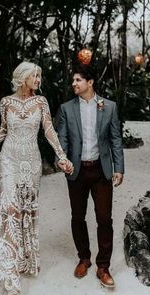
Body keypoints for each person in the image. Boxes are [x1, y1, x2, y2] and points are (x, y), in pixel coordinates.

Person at [0, 61, 73, 295]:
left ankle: (23, 260)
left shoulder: (41, 102)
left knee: (25, 210)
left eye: (39, 76)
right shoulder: (6, 102)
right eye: (35, 76)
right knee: (9, 210)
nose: (38, 80)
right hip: (9, 161)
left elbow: (48, 130)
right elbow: (4, 129)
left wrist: (62, 156)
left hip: (31, 164)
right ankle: (10, 272)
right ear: (23, 77)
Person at [57, 64, 124, 288]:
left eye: (78, 80)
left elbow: (115, 139)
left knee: (104, 218)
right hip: (76, 171)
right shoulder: (66, 109)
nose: (74, 84)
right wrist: (62, 159)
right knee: (78, 216)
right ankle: (84, 258)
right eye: (73, 80)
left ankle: (103, 266)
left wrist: (119, 168)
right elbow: (62, 139)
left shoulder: (109, 107)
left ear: (90, 82)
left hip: (101, 170)